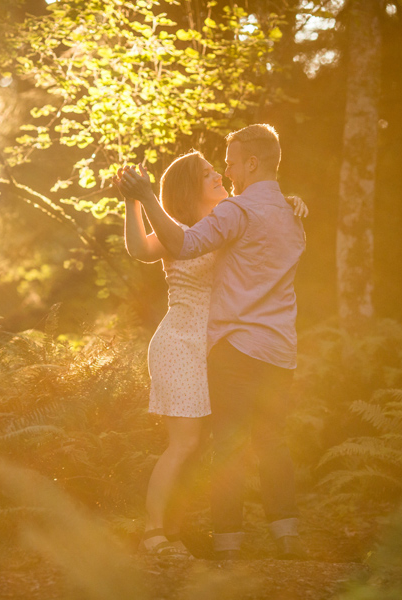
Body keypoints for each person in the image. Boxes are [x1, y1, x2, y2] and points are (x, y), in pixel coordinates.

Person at [119, 124, 307, 560]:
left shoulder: (231, 218)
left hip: (216, 346)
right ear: (190, 188)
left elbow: (262, 215)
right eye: (209, 173)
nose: (221, 173)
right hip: (184, 343)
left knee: (206, 444)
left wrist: (290, 201)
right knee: (188, 444)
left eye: (223, 166)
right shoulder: (185, 226)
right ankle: (155, 534)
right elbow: (142, 249)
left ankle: (183, 531)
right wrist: (136, 200)